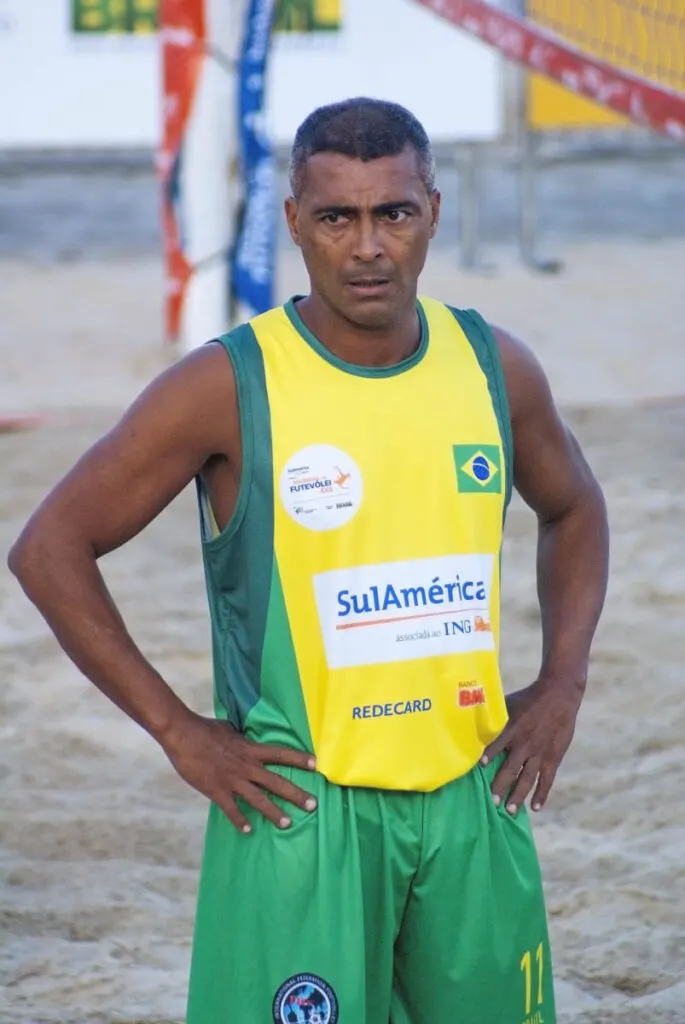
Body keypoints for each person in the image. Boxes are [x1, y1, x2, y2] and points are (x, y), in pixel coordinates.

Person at [8, 98, 609, 1024]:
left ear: (433, 213)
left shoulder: (494, 367)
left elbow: (572, 507)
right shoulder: (224, 384)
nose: (368, 246)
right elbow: (50, 549)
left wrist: (563, 680)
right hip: (302, 811)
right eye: (337, 217)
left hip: (471, 799)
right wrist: (180, 732)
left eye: (392, 213)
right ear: (294, 223)